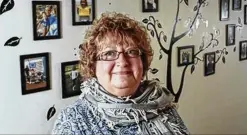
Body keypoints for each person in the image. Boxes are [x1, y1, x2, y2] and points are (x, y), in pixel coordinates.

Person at [52, 12, 189, 135]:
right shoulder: (72, 121)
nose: (122, 61)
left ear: (142, 62)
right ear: (93, 65)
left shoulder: (162, 104)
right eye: (109, 53)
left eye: (131, 52)